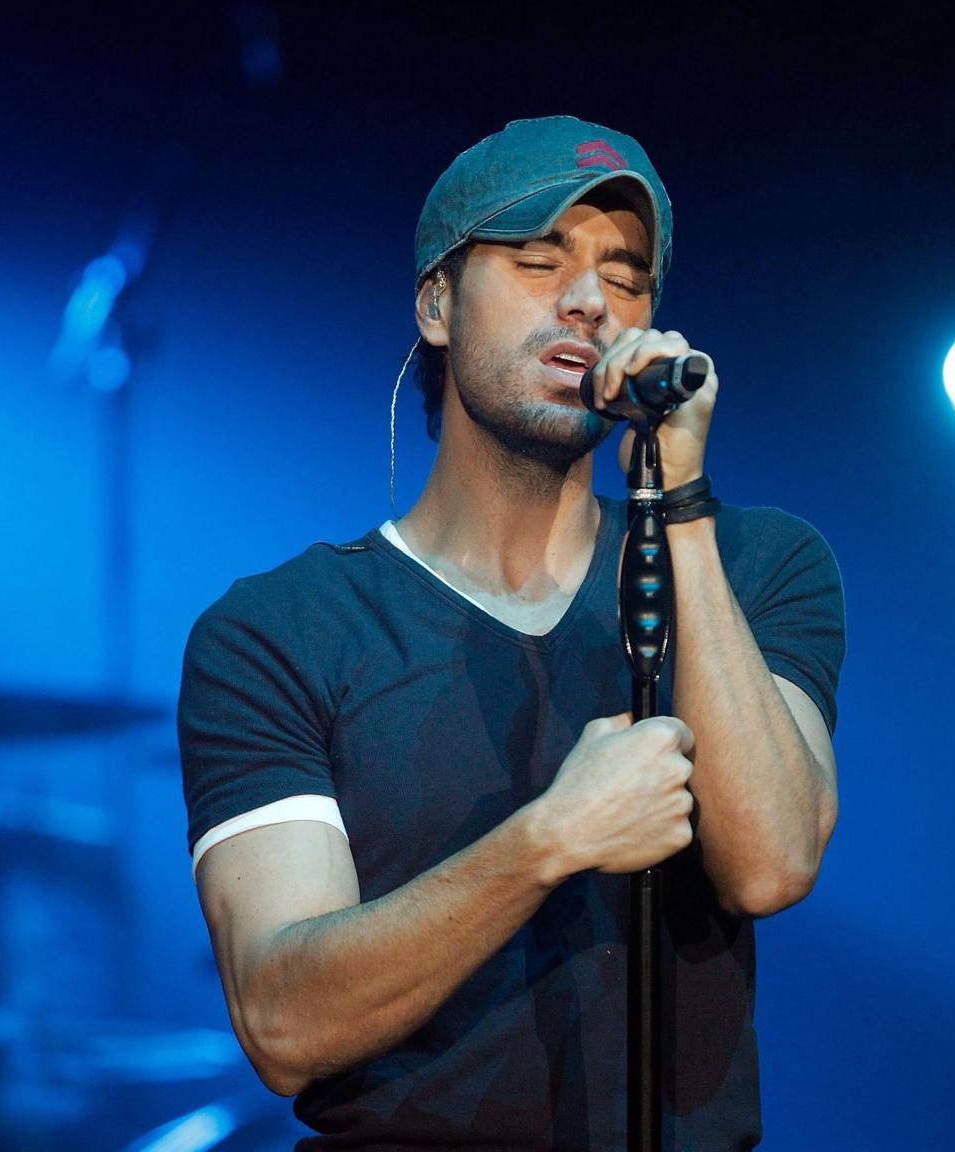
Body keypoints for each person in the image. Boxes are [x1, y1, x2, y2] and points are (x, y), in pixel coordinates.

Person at [178, 115, 845, 1150]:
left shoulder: (756, 563)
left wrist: (679, 502)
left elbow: (770, 864)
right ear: (436, 304)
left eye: (625, 279)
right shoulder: (280, 632)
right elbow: (284, 1021)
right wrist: (548, 840)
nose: (589, 300)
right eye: (539, 262)